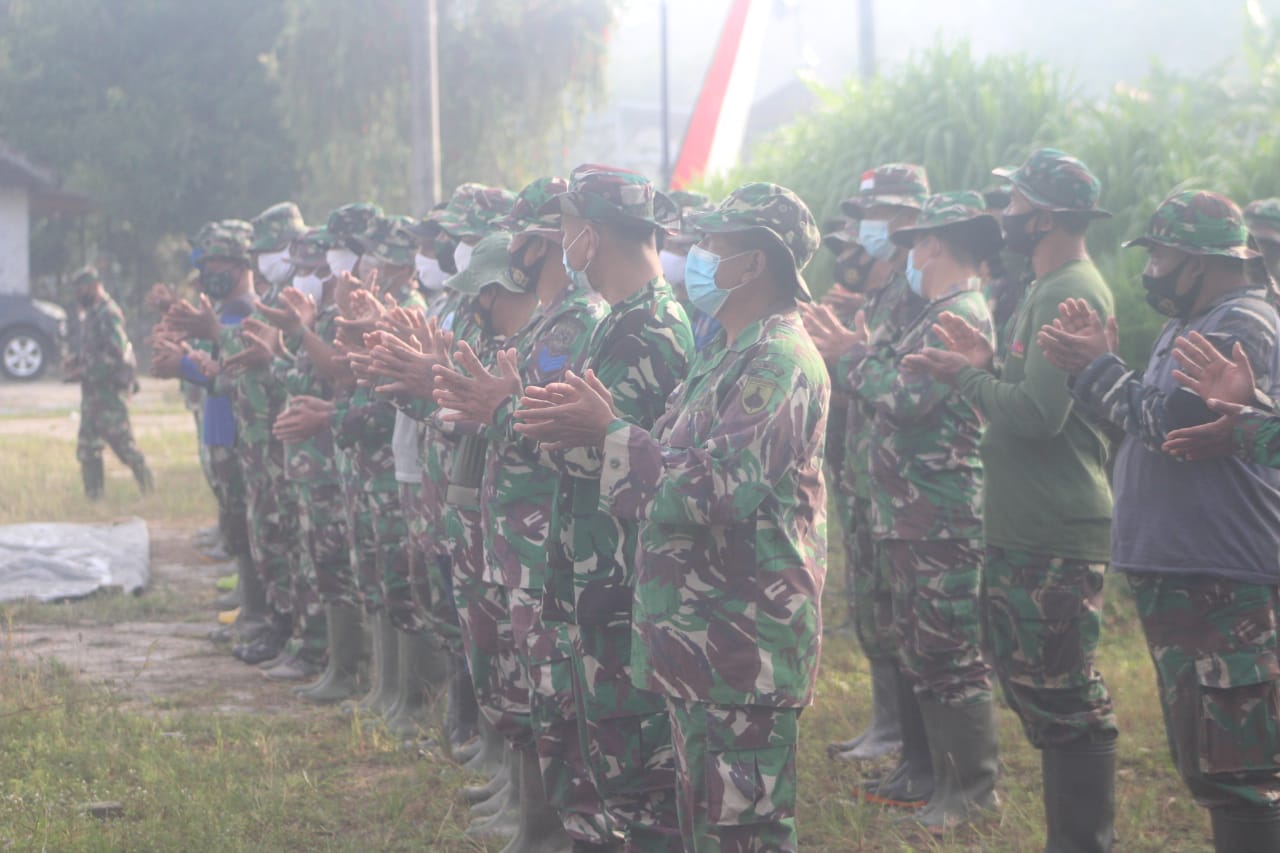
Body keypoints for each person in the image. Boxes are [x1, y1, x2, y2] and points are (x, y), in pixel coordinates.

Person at [515, 182, 827, 852]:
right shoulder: (726, 351)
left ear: (755, 262)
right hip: (699, 641)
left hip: (742, 648)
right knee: (698, 826)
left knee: (741, 834)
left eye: (713, 243)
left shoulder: (778, 359)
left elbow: (720, 486)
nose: (697, 255)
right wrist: (600, 432)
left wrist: (608, 433)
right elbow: (666, 451)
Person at [1038, 189, 1280, 851]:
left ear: (1201, 260)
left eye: (1161, 257)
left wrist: (1097, 368)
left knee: (1239, 765)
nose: (1151, 272)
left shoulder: (1240, 323)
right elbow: (1147, 423)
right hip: (1188, 568)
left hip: (1221, 575)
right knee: (1210, 758)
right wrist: (1096, 374)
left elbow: (1175, 423)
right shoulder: (1197, 321)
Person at [905, 149, 1120, 850]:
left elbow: (1036, 416)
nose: (1006, 215)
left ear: (1046, 217)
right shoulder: (1047, 286)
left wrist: (965, 379)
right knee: (1044, 695)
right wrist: (985, 365)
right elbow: (1038, 394)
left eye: (1016, 203)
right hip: (1030, 521)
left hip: (1052, 527)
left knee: (1066, 699)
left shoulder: (1067, 291)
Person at [509, 164, 692, 851]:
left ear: (591, 233)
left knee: (640, 773)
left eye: (565, 228)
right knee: (610, 762)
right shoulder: (621, 319)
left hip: (624, 580)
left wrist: (516, 415)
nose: (562, 243)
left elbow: (603, 452)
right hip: (598, 570)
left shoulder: (649, 328)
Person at [814, 191, 1000, 829]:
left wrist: (851, 355)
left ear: (935, 244)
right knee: (922, 649)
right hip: (910, 511)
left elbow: (907, 397)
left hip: (939, 514)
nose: (909, 255)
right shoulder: (936, 311)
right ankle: (934, 779)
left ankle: (970, 792)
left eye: (916, 242)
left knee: (950, 653)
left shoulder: (959, 314)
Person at [802, 163, 931, 764]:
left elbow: (902, 383)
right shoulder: (882, 292)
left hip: (902, 479)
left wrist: (848, 352)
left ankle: (908, 740)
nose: (866, 230)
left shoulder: (917, 291)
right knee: (874, 604)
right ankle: (888, 725)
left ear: (909, 216)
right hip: (865, 469)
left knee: (903, 613)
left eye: (877, 215)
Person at [65, 265, 152, 499]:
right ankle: (94, 497)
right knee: (88, 447)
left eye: (81, 289)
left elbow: (117, 355)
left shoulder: (108, 313)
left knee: (123, 443)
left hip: (109, 392)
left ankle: (148, 486)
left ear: (94, 286)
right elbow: (94, 349)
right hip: (92, 393)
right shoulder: (92, 314)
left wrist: (85, 371)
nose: (78, 295)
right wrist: (76, 361)